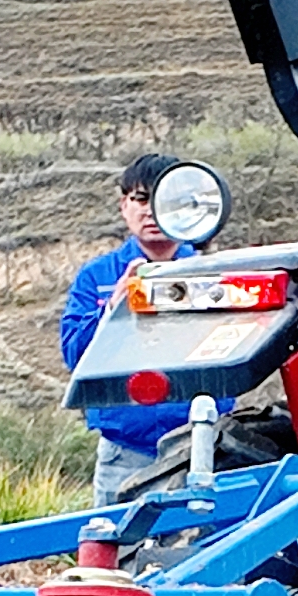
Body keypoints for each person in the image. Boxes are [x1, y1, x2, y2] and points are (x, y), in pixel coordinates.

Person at [59, 153, 204, 501]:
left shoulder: (212, 273)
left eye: (161, 199)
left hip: (200, 448)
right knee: (115, 551)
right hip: (123, 453)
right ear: (124, 206)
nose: (150, 211)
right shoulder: (97, 278)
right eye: (140, 199)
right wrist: (114, 307)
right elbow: (75, 354)